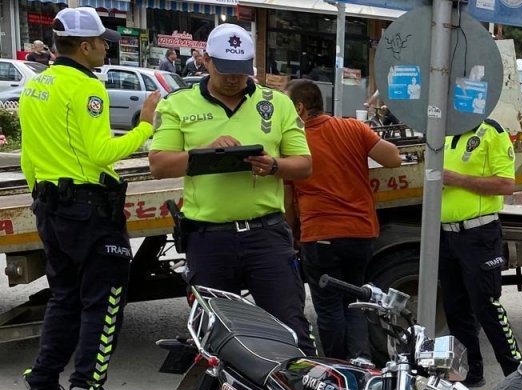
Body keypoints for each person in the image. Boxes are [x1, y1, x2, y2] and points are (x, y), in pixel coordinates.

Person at [18, 7, 160, 390]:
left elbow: (29, 155)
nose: (105, 49)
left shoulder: (36, 85)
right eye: (102, 42)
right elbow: (101, 153)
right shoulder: (87, 89)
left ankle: (44, 383)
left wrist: (40, 195)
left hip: (49, 204)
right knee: (106, 298)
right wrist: (145, 127)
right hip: (89, 210)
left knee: (64, 296)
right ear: (84, 46)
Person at [149, 24, 316, 354]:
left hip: (265, 236)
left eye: (241, 71)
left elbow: (305, 165)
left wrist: (273, 165)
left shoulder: (278, 104)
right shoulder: (177, 104)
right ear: (206, 61)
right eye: (225, 69)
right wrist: (207, 153)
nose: (233, 79)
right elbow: (159, 165)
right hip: (209, 238)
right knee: (215, 336)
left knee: (291, 328)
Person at [284, 78, 402, 360]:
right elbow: (394, 158)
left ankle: (338, 367)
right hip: (360, 232)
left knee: (328, 307)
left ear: (299, 108)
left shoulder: (294, 143)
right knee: (355, 300)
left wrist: (291, 235)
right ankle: (361, 360)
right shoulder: (352, 127)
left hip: (320, 234)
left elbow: (289, 202)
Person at [441, 118, 520, 386]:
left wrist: (457, 179)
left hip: (478, 233)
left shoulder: (492, 132)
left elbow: (506, 184)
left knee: (486, 307)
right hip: (447, 234)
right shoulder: (446, 131)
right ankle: (470, 372)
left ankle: (516, 375)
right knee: (455, 309)